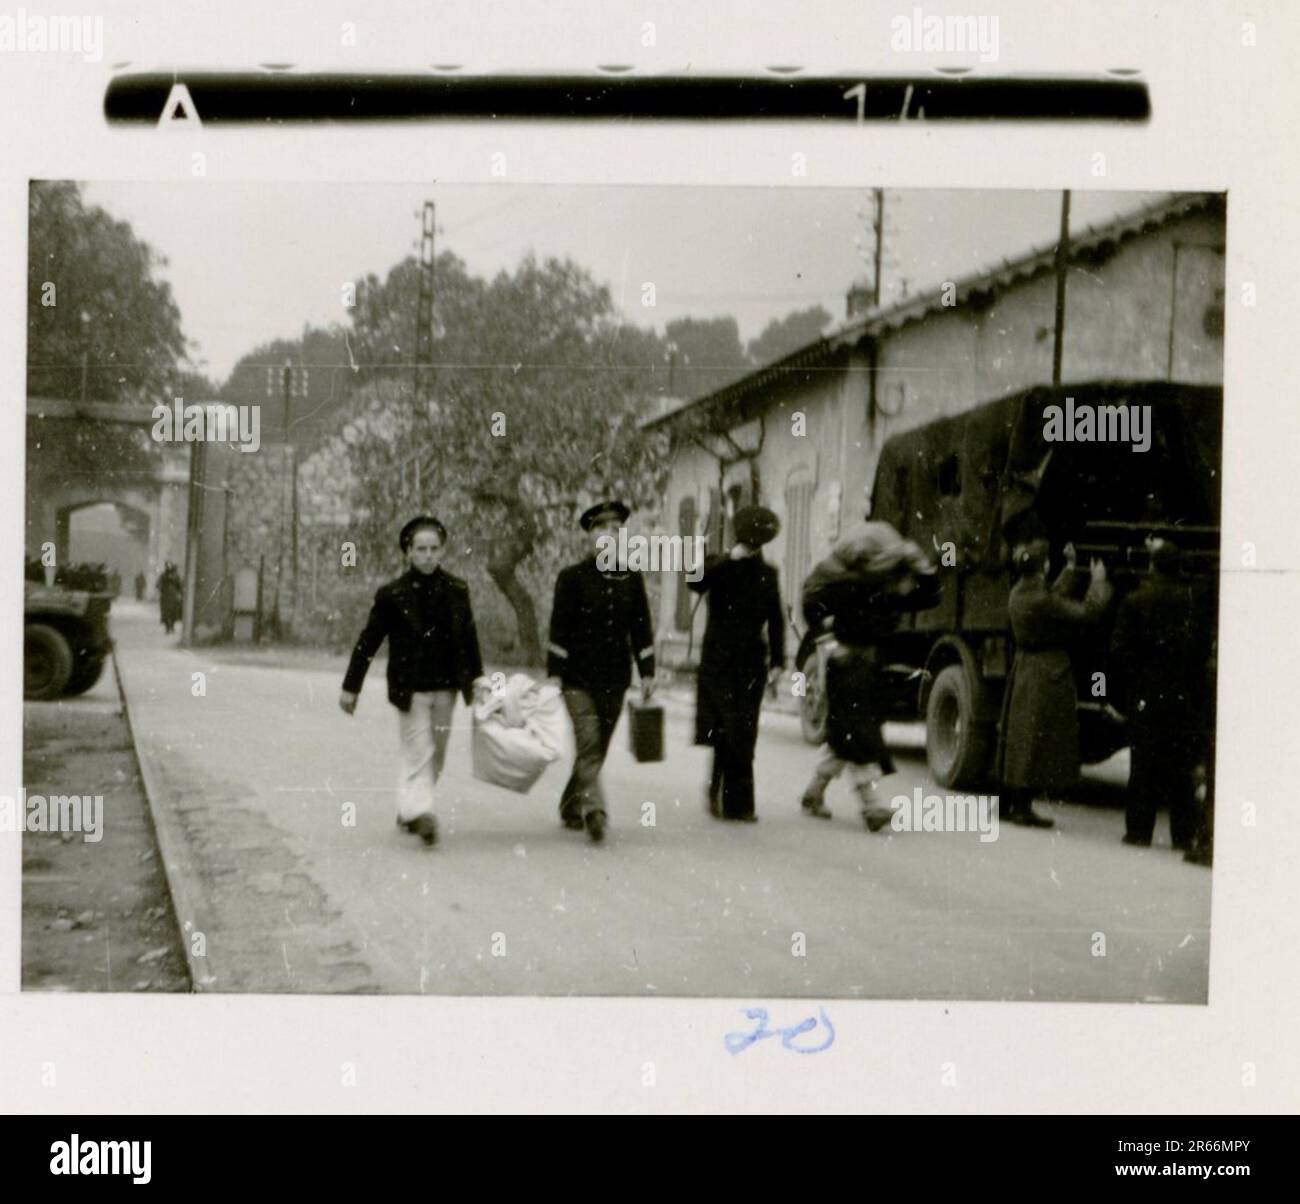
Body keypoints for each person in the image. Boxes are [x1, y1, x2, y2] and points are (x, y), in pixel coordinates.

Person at [338, 516, 487, 847]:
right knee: (420, 749)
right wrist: (351, 687)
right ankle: (422, 814)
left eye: (434, 549)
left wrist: (478, 679)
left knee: (438, 754)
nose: (428, 555)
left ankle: (409, 807)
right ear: (408, 552)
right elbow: (368, 641)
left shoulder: (457, 589)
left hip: (446, 687)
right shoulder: (392, 595)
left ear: (442, 550)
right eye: (421, 549)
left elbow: (469, 637)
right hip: (411, 688)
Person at [798, 523, 940, 831]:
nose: (904, 586)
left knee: (845, 735)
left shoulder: (887, 584)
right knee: (860, 732)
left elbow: (930, 597)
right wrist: (829, 644)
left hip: (870, 664)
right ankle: (871, 804)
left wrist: (924, 568)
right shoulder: (849, 582)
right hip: (845, 661)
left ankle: (813, 792)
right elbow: (812, 606)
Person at [546, 500, 656, 844]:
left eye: (616, 530)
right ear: (590, 536)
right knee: (590, 741)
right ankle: (595, 811)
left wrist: (648, 673)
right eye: (601, 529)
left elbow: (641, 630)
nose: (609, 535)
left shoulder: (631, 578)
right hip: (577, 678)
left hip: (615, 678)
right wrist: (554, 675)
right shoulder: (571, 578)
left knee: (597, 748)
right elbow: (558, 629)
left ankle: (569, 803)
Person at [996, 540, 1111, 828]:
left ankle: (1009, 802)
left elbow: (1052, 596)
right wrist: (1099, 583)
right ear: (1042, 567)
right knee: (1035, 739)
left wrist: (1071, 569)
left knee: (1020, 736)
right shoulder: (1040, 600)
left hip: (1025, 668)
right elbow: (1086, 612)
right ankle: (1021, 807)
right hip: (1045, 672)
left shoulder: (1019, 593)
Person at [1108, 538, 1211, 850]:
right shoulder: (1192, 602)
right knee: (1180, 767)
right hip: (1182, 696)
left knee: (1143, 766)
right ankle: (1183, 833)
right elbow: (1200, 651)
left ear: (1152, 566)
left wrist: (1119, 697)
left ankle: (1139, 831)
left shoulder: (1135, 601)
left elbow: (1118, 654)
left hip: (1147, 695)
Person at [689, 505, 785, 823]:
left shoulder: (768, 574)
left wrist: (778, 662)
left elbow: (776, 620)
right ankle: (721, 792)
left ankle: (739, 804)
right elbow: (694, 582)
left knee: (744, 732)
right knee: (726, 730)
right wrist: (728, 558)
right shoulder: (721, 565)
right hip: (719, 662)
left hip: (751, 664)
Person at [157, 562, 183, 634]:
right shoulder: (163, 576)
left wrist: (180, 593)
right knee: (166, 612)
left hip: (173, 597)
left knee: (173, 612)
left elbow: (179, 585)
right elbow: (158, 584)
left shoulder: (175, 576)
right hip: (165, 596)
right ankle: (167, 627)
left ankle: (172, 626)